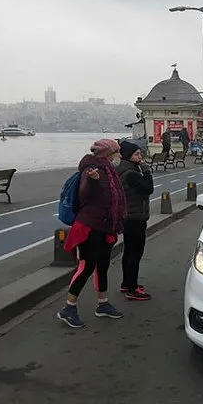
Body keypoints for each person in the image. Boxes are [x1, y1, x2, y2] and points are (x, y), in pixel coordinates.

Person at [57, 139, 127, 328]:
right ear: (107, 155)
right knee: (87, 267)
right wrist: (92, 180)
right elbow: (84, 193)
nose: (119, 156)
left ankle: (102, 304)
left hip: (104, 227)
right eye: (117, 153)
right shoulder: (92, 171)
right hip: (89, 227)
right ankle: (68, 308)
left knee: (102, 265)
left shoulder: (109, 172)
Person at [115, 141, 154, 301]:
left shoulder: (124, 169)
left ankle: (126, 283)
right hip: (135, 216)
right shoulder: (131, 173)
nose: (140, 157)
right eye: (137, 154)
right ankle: (133, 288)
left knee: (129, 251)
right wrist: (147, 171)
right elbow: (148, 189)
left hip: (128, 216)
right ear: (128, 156)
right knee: (135, 253)